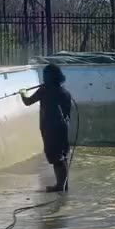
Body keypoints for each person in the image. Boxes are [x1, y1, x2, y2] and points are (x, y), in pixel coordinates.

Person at [21, 64, 73, 192]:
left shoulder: (44, 90)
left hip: (51, 127)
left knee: (56, 157)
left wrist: (23, 94)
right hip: (63, 127)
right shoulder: (64, 92)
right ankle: (63, 184)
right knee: (62, 156)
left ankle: (60, 186)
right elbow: (67, 112)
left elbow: (28, 102)